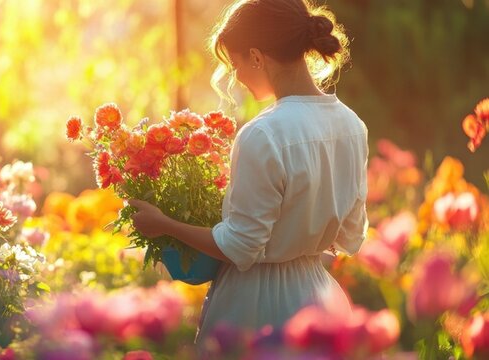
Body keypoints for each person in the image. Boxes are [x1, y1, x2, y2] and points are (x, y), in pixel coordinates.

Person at [127, 0, 368, 345]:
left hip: (257, 307)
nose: (236, 78)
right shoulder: (352, 126)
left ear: (256, 56)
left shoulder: (263, 134)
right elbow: (351, 236)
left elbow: (239, 246)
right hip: (319, 301)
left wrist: (164, 223)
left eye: (236, 64)